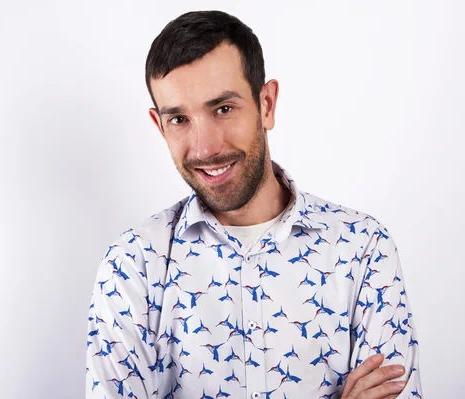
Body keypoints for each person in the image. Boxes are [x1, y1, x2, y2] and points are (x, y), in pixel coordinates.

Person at [86, 10, 423, 399]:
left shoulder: (362, 250)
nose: (205, 148)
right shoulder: (132, 267)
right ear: (159, 125)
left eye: (223, 109)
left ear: (266, 104)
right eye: (179, 119)